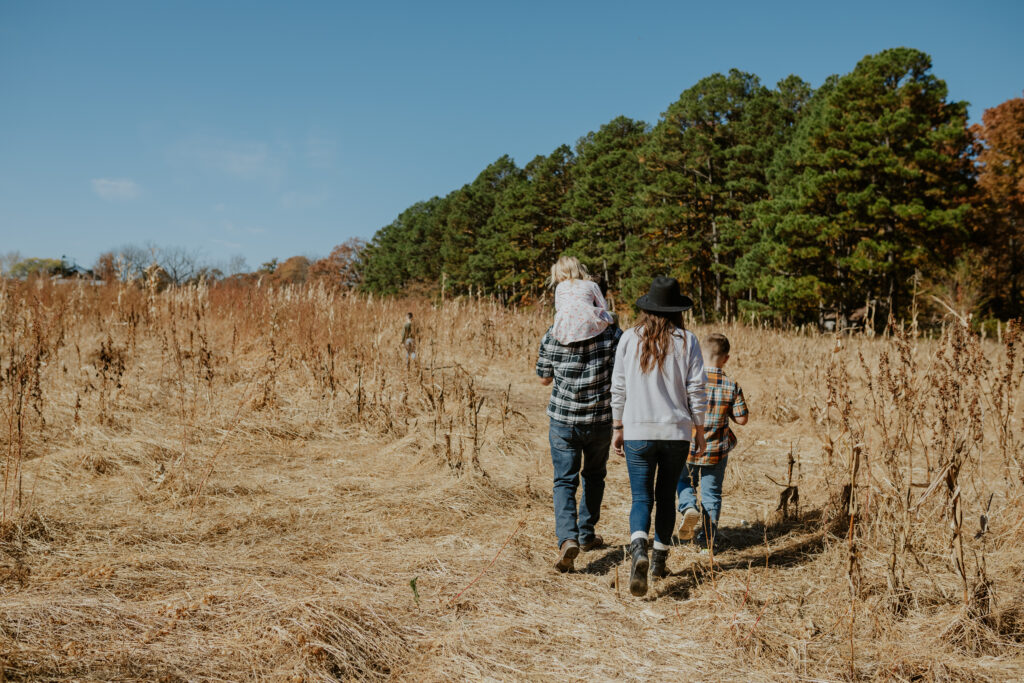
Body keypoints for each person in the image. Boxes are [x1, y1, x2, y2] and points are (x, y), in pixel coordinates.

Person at [611, 277, 707, 597]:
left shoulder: (628, 338)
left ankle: (639, 549)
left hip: (638, 429)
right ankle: (658, 561)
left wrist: (617, 427)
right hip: (675, 432)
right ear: (678, 309)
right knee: (666, 497)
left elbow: (619, 386)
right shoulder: (687, 340)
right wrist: (701, 430)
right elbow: (696, 389)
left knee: (641, 498)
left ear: (647, 307)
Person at [536, 300, 622, 573]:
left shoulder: (553, 333)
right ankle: (586, 534)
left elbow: (543, 378)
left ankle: (568, 538)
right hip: (599, 420)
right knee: (595, 475)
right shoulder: (611, 334)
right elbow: (622, 374)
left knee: (564, 480)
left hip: (564, 420)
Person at [677, 333, 748, 550]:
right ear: (726, 358)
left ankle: (689, 505)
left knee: (684, 482)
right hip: (716, 451)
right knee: (712, 493)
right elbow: (743, 419)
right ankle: (707, 539)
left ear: (698, 354)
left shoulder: (688, 380)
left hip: (687, 447)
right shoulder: (731, 385)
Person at [549, 256, 615, 345]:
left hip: (566, 328)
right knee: (613, 317)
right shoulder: (592, 284)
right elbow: (604, 307)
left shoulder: (560, 287)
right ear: (579, 269)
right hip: (589, 324)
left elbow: (559, 309)